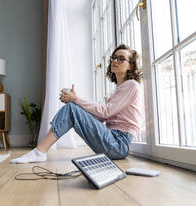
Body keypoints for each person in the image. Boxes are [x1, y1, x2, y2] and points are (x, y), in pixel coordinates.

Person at [11, 44, 143, 164]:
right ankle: (40, 151)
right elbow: (102, 118)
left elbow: (105, 112)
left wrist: (75, 100)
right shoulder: (120, 90)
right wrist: (77, 108)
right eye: (114, 57)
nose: (115, 61)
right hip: (113, 142)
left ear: (130, 65)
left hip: (118, 144)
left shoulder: (131, 85)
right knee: (72, 109)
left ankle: (39, 151)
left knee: (72, 108)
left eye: (121, 58)